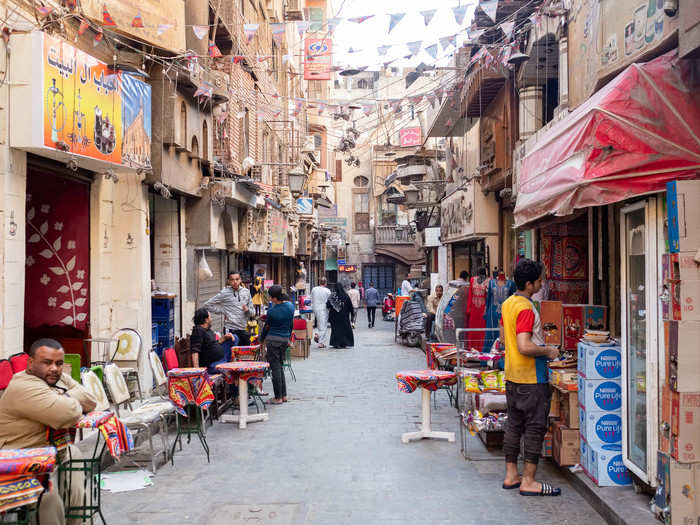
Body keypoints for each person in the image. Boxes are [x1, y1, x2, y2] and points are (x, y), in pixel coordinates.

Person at [0, 339, 97, 525]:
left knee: (75, 459)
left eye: (59, 363)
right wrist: (66, 398)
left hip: (53, 451)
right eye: (46, 362)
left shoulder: (55, 378)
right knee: (47, 493)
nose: (54, 368)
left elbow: (91, 400)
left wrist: (61, 396)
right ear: (30, 363)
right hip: (22, 458)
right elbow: (68, 414)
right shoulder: (23, 386)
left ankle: (79, 520)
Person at [500, 259, 561, 497]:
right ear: (529, 283)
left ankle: (511, 475)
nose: (541, 283)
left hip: (512, 376)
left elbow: (505, 340)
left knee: (514, 426)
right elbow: (524, 346)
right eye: (538, 281)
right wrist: (548, 350)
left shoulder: (507, 304)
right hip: (531, 379)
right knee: (535, 428)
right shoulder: (526, 308)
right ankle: (529, 481)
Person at [261, 285, 294, 404]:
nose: (269, 298)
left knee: (275, 368)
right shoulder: (290, 306)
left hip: (273, 341)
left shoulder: (272, 311)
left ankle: (278, 397)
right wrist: (288, 338)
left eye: (270, 297)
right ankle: (284, 395)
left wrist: (261, 339)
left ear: (274, 298)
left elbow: (267, 327)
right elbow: (291, 324)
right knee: (279, 366)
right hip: (284, 340)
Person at [204, 270, 255, 346]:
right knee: (231, 355)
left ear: (240, 280)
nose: (235, 282)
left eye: (237, 279)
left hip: (243, 329)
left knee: (245, 354)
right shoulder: (224, 293)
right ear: (229, 281)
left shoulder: (246, 292)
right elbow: (207, 305)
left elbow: (253, 313)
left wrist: (248, 310)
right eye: (232, 280)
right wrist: (222, 311)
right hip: (230, 330)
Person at [190, 308, 235, 374]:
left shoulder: (207, 330)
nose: (212, 319)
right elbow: (195, 351)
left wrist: (225, 337)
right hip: (211, 365)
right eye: (210, 317)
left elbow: (215, 343)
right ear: (206, 320)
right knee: (232, 370)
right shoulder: (198, 331)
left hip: (220, 359)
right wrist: (197, 371)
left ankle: (230, 361)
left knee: (234, 338)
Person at [483, 271, 516, 352]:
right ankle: (488, 356)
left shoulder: (511, 284)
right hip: (492, 313)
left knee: (505, 333)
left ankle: (504, 356)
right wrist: (486, 312)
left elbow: (513, 298)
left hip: (506, 312)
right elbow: (489, 299)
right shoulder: (491, 283)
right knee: (491, 334)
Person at [327, 282, 354, 349]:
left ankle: (336, 343)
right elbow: (350, 306)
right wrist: (352, 315)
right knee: (344, 330)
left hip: (334, 316)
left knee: (335, 330)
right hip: (344, 316)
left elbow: (328, 305)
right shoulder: (345, 295)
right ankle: (344, 343)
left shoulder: (333, 296)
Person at [311, 277, 332, 348]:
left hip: (315, 308)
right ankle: (318, 336)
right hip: (323, 309)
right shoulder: (327, 291)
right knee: (323, 325)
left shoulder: (314, 289)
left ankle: (321, 342)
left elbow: (312, 298)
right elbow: (330, 301)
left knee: (320, 324)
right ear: (325, 283)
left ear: (319, 282)